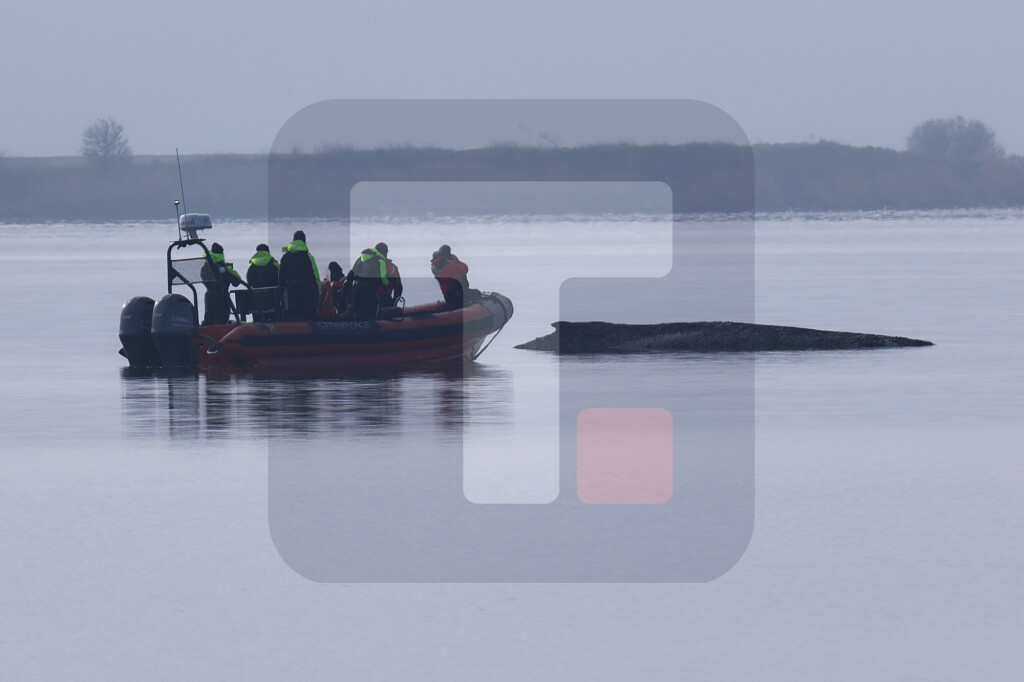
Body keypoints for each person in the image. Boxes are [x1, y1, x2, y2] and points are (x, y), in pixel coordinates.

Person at [279, 230, 320, 320]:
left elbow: (281, 276)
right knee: (306, 314)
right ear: (304, 241)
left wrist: (281, 293)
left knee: (292, 315)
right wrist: (317, 293)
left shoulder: (285, 257)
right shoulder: (306, 256)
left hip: (290, 290)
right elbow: (312, 276)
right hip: (305, 289)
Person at [200, 242, 244, 325]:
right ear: (221, 253)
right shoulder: (224, 267)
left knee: (208, 319)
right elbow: (237, 281)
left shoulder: (205, 267)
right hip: (222, 297)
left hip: (208, 296)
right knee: (221, 320)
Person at [349, 242, 390, 320]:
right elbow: (383, 277)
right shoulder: (380, 260)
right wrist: (387, 285)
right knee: (370, 313)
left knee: (357, 312)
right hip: (369, 289)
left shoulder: (361, 258)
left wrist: (347, 284)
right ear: (384, 252)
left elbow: (352, 272)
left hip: (356, 287)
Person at [246, 243, 280, 321]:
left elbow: (249, 280)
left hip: (256, 301)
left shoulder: (251, 265)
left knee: (257, 324)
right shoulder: (274, 264)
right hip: (272, 299)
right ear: (268, 251)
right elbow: (280, 278)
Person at [430, 244, 470, 309]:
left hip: (447, 292)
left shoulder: (435, 266)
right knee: (476, 293)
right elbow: (464, 269)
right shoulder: (448, 266)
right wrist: (456, 261)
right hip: (455, 293)